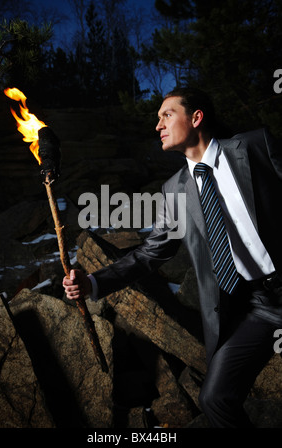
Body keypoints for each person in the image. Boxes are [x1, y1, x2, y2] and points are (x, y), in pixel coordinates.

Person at [63, 87, 282, 428]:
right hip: (261, 307)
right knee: (214, 398)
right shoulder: (175, 190)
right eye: (157, 119)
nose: (158, 125)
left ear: (196, 118)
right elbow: (152, 252)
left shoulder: (253, 146)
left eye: (167, 115)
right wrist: (92, 281)